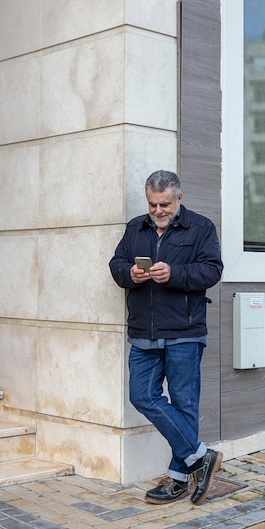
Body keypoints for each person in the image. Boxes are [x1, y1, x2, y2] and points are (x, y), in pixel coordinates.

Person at [109, 170, 224, 506]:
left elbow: (212, 270)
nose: (158, 210)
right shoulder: (135, 228)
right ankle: (200, 457)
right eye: (152, 204)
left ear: (179, 199)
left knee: (185, 404)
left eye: (165, 204)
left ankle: (177, 480)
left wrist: (174, 274)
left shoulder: (201, 228)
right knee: (142, 395)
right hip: (143, 332)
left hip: (185, 333)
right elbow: (116, 263)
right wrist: (128, 273)